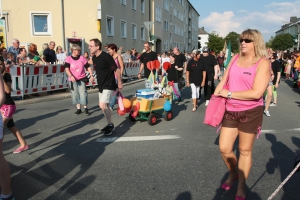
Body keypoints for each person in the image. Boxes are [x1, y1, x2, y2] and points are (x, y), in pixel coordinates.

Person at [214, 29, 270, 200]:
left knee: (245, 151)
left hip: (251, 111)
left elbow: (256, 93)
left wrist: (229, 94)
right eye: (241, 40)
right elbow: (224, 81)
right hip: (231, 110)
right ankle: (233, 172)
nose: (243, 43)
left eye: (248, 40)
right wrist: (217, 93)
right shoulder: (235, 58)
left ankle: (241, 186)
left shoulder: (263, 63)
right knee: (224, 148)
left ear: (256, 43)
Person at [89, 38, 123, 136]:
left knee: (102, 105)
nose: (89, 47)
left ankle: (110, 124)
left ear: (97, 46)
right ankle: (109, 124)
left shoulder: (106, 57)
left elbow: (116, 70)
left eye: (91, 46)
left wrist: (120, 83)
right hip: (101, 84)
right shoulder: (94, 57)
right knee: (105, 107)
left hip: (109, 84)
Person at [64, 45, 94, 115]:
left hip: (81, 78)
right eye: (78, 50)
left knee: (83, 93)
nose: (79, 51)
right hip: (73, 79)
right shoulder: (68, 59)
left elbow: (88, 67)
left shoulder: (82, 58)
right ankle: (78, 109)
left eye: (79, 50)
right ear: (73, 50)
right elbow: (67, 69)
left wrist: (91, 75)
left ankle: (86, 108)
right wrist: (71, 76)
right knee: (75, 94)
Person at [0, 58, 15, 199]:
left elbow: (5, 93)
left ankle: (6, 193)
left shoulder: (5, 75)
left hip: (8, 106)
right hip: (2, 109)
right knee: (12, 127)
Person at [107, 44, 124, 111]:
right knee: (113, 91)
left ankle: (111, 105)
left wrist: (120, 75)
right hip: (110, 76)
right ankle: (120, 101)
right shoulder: (109, 57)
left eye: (109, 50)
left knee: (114, 90)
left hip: (117, 76)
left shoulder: (118, 56)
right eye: (108, 50)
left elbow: (122, 66)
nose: (109, 51)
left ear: (114, 49)